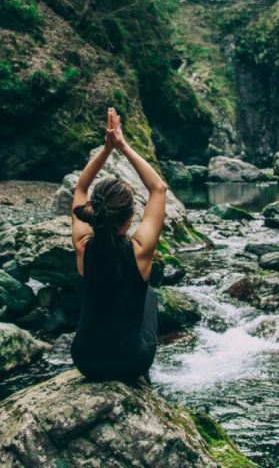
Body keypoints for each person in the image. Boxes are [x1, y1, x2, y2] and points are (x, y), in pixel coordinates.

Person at [69, 107, 167, 386]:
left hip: (85, 360)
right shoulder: (139, 251)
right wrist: (121, 145)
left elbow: (80, 188)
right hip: (129, 362)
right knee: (149, 295)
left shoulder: (83, 246)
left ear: (95, 213)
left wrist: (106, 149)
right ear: (129, 220)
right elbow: (158, 188)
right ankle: (143, 379)